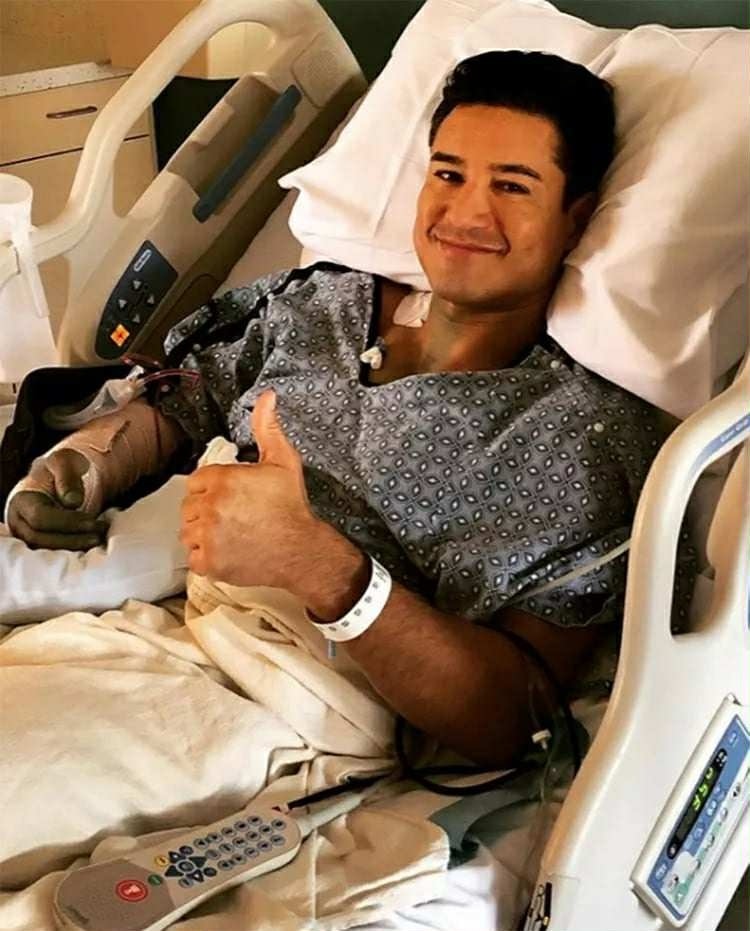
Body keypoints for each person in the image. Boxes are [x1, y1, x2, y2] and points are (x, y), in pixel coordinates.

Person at [4, 51, 692, 768]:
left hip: (274, 695)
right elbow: (191, 394)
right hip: (140, 611)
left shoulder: (577, 434)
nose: (465, 212)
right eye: (448, 174)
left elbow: (519, 716)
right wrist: (82, 465)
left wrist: (321, 567)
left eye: (512, 186)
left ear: (574, 217)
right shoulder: (326, 303)